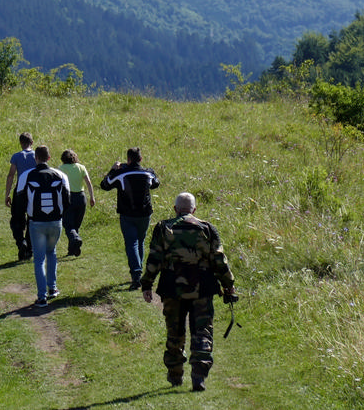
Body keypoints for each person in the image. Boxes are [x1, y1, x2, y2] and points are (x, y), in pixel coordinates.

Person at [141, 192, 238, 392]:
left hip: (171, 289)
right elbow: (219, 260)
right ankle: (199, 375)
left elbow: (154, 259)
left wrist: (147, 284)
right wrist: (228, 284)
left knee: (174, 332)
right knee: (202, 330)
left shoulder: (163, 227)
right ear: (194, 210)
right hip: (202, 289)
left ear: (175, 209)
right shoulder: (207, 229)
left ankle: (175, 374)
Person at [100, 146, 160, 290]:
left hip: (127, 214)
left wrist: (113, 169)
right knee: (140, 241)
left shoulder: (121, 173)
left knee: (131, 243)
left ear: (128, 159)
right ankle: (139, 272)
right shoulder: (148, 173)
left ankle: (136, 275)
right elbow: (156, 184)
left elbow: (104, 185)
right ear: (141, 159)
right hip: (145, 213)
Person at [17, 146, 71, 305]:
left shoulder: (26, 175)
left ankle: (42, 297)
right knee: (51, 252)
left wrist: (20, 221)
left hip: (36, 222)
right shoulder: (61, 175)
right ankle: (52, 288)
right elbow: (67, 200)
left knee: (39, 259)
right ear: (49, 157)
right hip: (55, 221)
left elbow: (20, 201)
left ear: (36, 158)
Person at [3, 132, 37, 261]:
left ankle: (20, 242)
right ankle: (29, 249)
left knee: (16, 219)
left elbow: (11, 175)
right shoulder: (36, 156)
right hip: (34, 190)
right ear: (32, 142)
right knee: (32, 219)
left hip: (20, 190)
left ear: (20, 143)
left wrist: (7, 194)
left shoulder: (17, 156)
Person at [58, 149, 96, 257]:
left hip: (68, 197)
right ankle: (72, 250)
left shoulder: (61, 169)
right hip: (81, 197)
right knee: (76, 225)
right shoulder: (81, 167)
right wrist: (92, 197)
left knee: (68, 225)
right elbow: (88, 182)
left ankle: (75, 241)